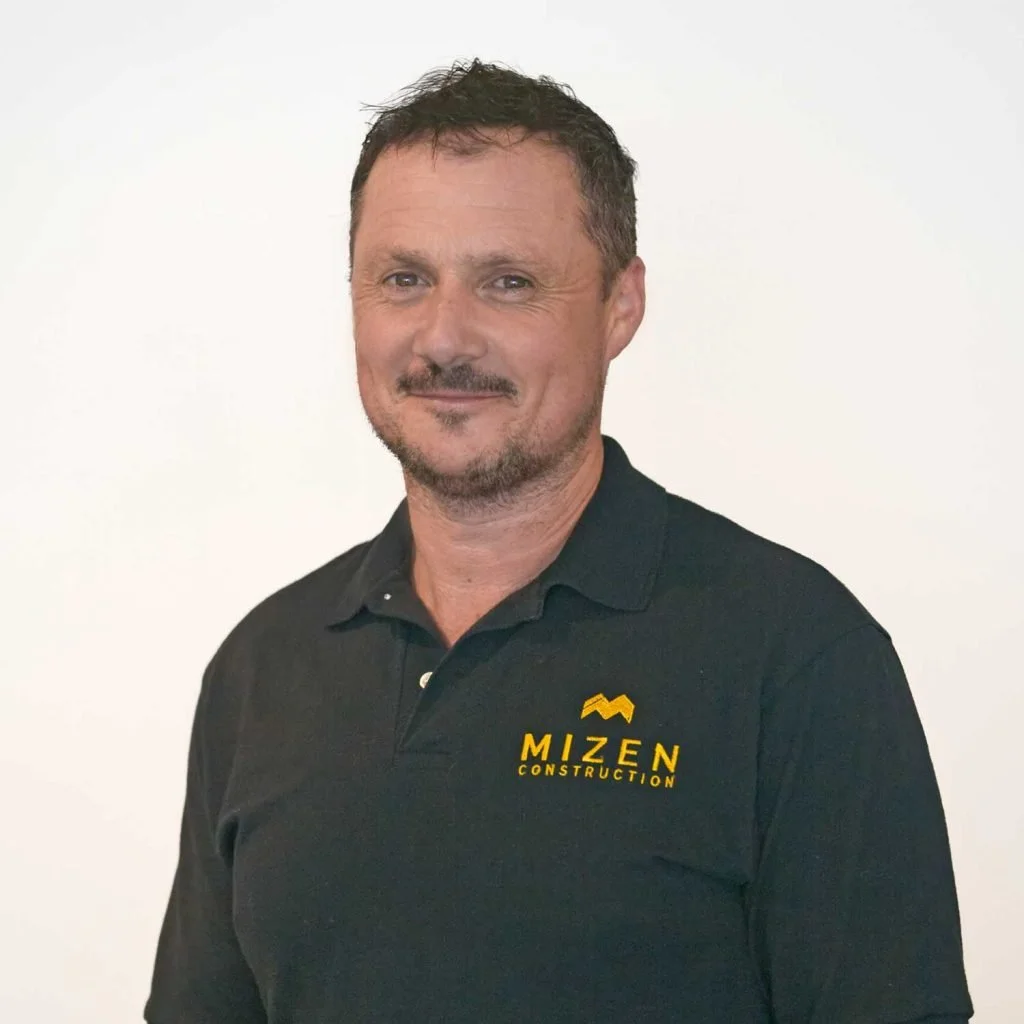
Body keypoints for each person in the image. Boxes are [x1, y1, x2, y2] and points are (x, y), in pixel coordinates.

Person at [145, 60, 973, 1023]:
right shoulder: (265, 668)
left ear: (620, 307)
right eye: (403, 279)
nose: (444, 338)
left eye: (509, 282)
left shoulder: (793, 655)